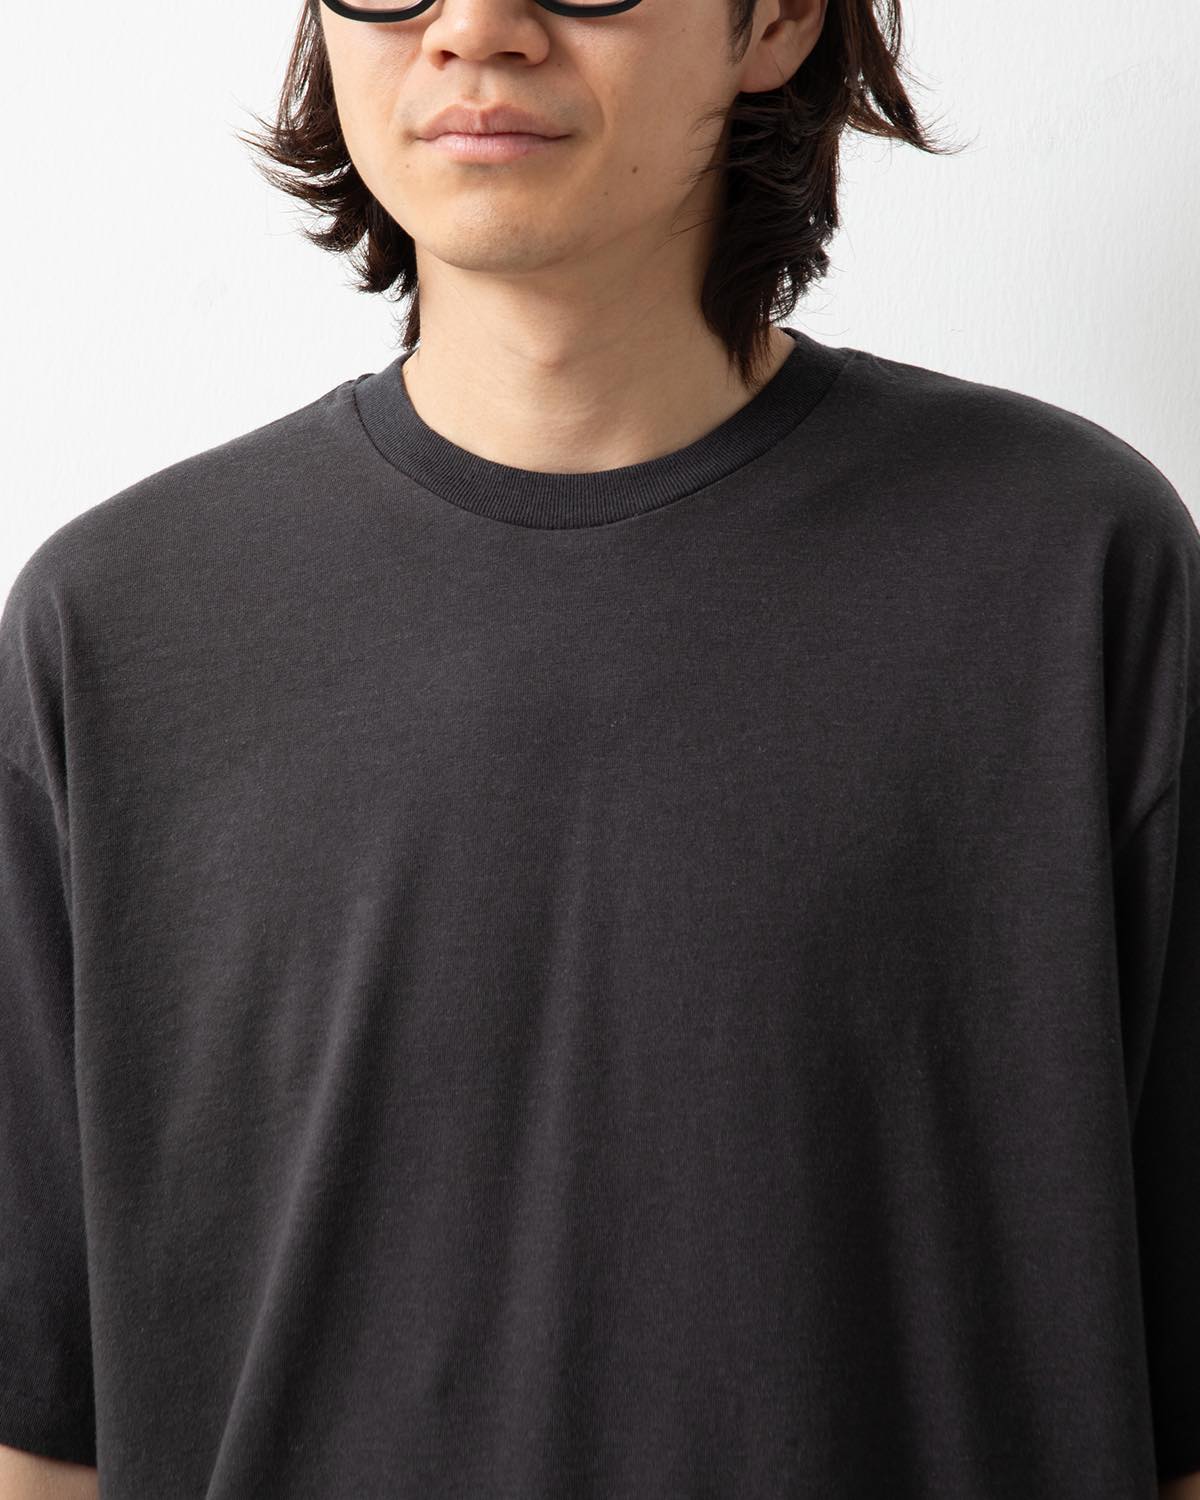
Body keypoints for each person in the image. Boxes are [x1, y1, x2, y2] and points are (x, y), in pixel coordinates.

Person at [1, 0, 1196, 1495]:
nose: (476, 28)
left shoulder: (1071, 573)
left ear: (775, 22)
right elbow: (42, 1432)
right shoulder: (115, 631)